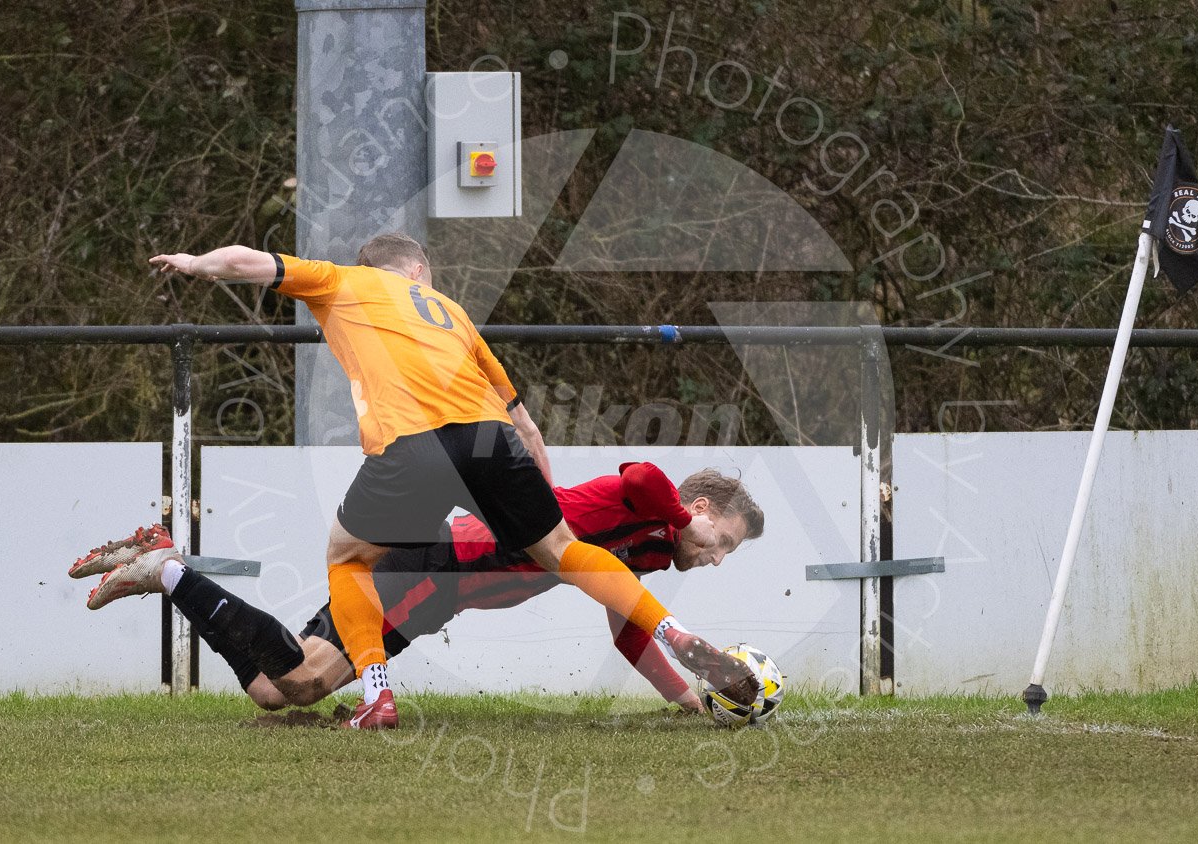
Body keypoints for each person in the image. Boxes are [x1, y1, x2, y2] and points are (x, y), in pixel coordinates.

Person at [134, 234, 755, 728]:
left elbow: (251, 263)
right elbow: (528, 427)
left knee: (346, 558)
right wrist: (543, 507)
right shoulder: (453, 315)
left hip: (416, 447)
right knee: (566, 550)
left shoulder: (348, 280)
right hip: (492, 441)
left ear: (382, 269)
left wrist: (196, 263)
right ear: (422, 275)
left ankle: (378, 695)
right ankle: (675, 631)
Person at [77, 464, 764, 716]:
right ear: (698, 510)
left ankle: (165, 569)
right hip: (442, 568)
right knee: (307, 682)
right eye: (722, 542)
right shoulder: (652, 508)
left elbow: (625, 624)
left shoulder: (646, 547)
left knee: (271, 691)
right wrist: (677, 518)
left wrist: (684, 701)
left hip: (440, 584)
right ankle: (163, 568)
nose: (717, 558)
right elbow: (642, 474)